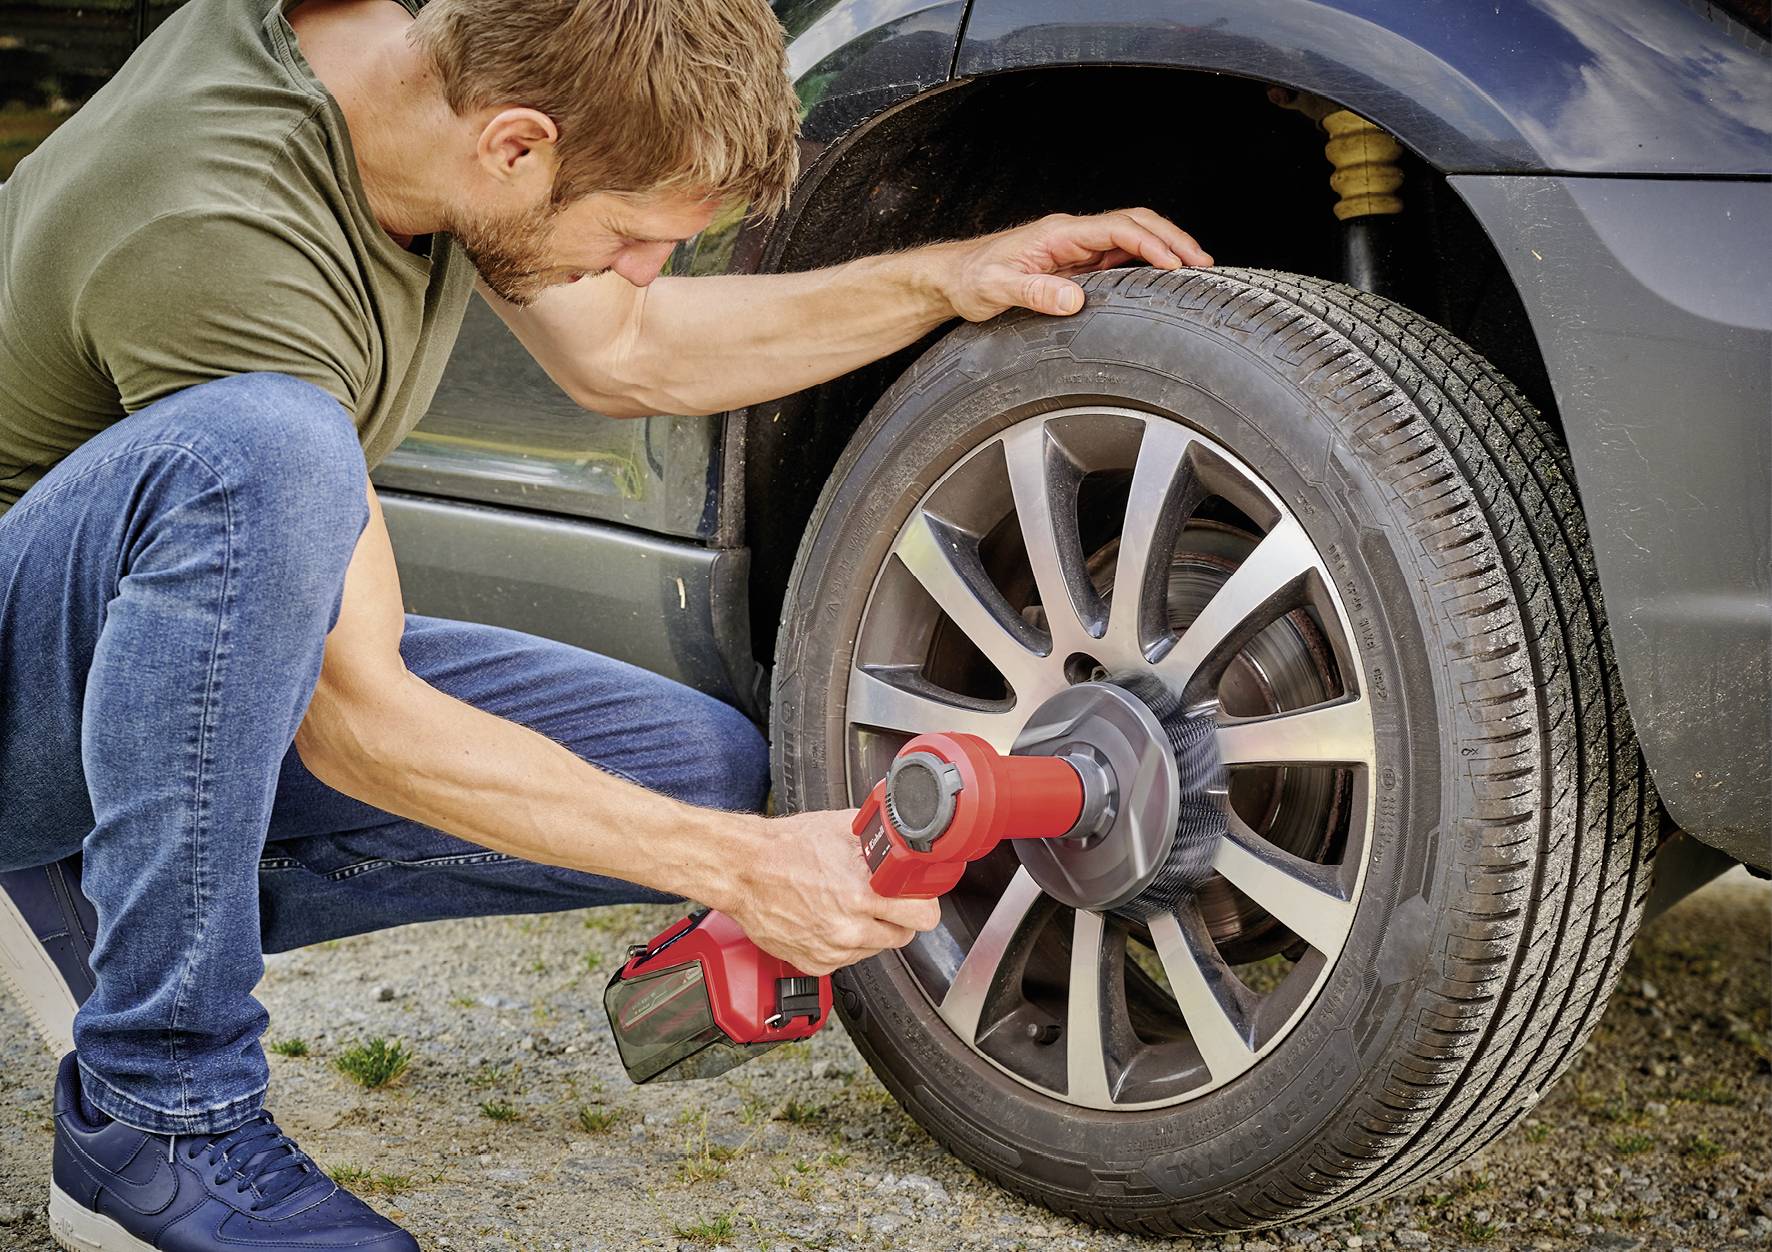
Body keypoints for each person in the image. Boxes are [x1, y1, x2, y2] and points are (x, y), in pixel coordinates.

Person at [0, 1, 1212, 1248]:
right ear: (517, 146)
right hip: (20, 692)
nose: (638, 270)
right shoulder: (227, 235)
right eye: (633, 234)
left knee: (695, 772)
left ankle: (101, 896)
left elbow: (625, 354)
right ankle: (157, 1115)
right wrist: (734, 871)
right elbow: (359, 725)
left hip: (134, 663)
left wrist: (938, 275)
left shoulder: (433, 88)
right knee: (267, 453)